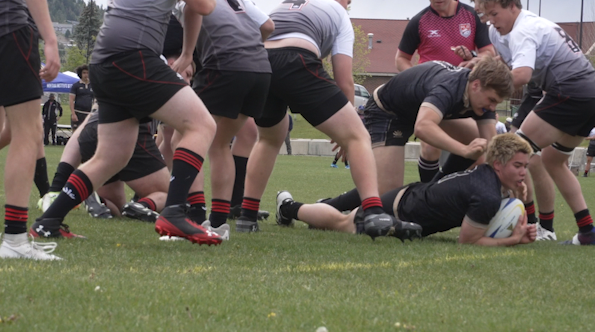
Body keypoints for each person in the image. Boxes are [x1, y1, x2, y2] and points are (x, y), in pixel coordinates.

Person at [31, 0, 223, 245]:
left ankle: (48, 221)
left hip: (104, 60)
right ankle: (174, 211)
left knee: (110, 157)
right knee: (202, 124)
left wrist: (187, 53)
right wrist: (187, 52)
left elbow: (193, 8)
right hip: (132, 55)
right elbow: (204, 5)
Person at [235, 0, 395, 239]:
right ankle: (373, 211)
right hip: (295, 58)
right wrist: (346, 130)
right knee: (358, 135)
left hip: (260, 61)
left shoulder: (284, 5)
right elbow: (344, 80)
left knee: (268, 139)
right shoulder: (339, 14)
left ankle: (247, 217)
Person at [322, 57, 513, 213]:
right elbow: (423, 127)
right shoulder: (448, 88)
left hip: (417, 108)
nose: (492, 108)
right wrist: (464, 150)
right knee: (386, 195)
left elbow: (492, 148)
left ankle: (435, 188)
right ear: (476, 85)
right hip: (388, 112)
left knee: (480, 143)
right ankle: (329, 207)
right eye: (491, 100)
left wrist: (509, 185)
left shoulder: (481, 96)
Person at [278, 133, 537, 246]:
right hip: (402, 211)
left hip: (410, 198)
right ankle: (288, 207)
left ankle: (312, 208)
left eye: (525, 166)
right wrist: (513, 239)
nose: (524, 173)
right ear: (498, 165)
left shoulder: (488, 179)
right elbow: (468, 241)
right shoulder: (488, 194)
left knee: (345, 218)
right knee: (343, 223)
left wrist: (515, 203)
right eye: (518, 166)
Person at [476, 0, 595, 245]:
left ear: (512, 7)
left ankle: (505, 221)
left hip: (569, 90)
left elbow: (521, 75)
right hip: (587, 92)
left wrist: (482, 84)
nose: (490, 20)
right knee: (553, 160)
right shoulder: (507, 29)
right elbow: (506, 65)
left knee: (508, 150)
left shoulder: (523, 29)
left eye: (494, 13)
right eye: (485, 15)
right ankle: (587, 231)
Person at [171, 0, 273, 239]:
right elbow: (268, 26)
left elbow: (192, 10)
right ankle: (217, 224)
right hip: (261, 70)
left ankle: (192, 216)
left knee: (183, 136)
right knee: (219, 144)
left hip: (225, 66)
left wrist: (187, 55)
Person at [395, 0, 496, 183]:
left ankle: (449, 194)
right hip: (433, 96)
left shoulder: (472, 15)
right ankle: (428, 196)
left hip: (465, 96)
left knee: (480, 149)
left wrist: (473, 58)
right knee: (430, 148)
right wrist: (416, 82)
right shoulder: (419, 21)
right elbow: (401, 58)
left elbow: (489, 53)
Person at [0, 0, 61, 260]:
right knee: (28, 132)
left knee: (16, 129)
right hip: (9, 27)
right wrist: (50, 39)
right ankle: (14, 238)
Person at [69, 64, 93, 131]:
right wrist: (73, 114)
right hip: (78, 113)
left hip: (88, 114)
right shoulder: (76, 85)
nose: (86, 75)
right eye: (84, 73)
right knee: (76, 134)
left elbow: (96, 100)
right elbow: (71, 100)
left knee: (87, 134)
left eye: (87, 73)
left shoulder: (92, 85)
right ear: (80, 74)